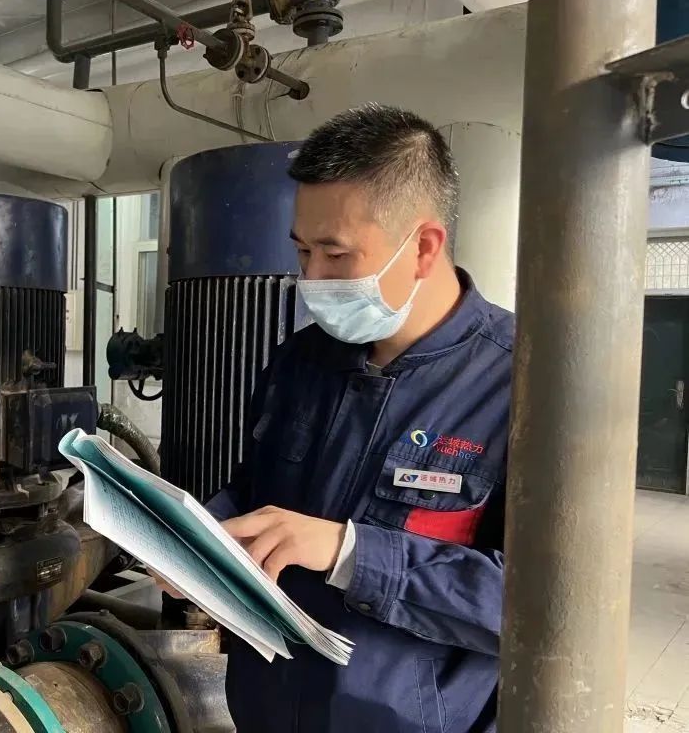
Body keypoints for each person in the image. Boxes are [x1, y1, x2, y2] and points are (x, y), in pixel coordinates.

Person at [156, 104, 511, 732]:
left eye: (335, 254)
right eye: (302, 251)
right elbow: (257, 490)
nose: (311, 278)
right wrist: (200, 540)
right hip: (267, 708)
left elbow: (534, 604)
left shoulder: (521, 386)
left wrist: (350, 552)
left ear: (424, 247)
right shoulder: (302, 359)